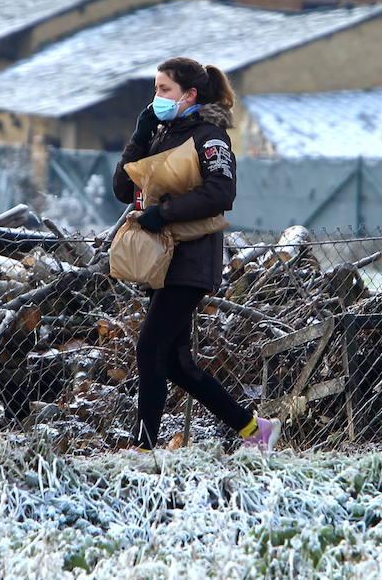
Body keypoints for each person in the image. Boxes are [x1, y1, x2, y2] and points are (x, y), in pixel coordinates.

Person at [112, 56, 281, 452]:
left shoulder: (210, 137)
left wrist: (165, 213)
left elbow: (221, 193)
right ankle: (255, 430)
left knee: (150, 348)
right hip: (160, 261)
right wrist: (139, 136)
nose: (156, 96)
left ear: (188, 94)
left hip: (190, 260)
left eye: (163, 89)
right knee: (175, 363)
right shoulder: (161, 133)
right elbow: (123, 189)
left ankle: (143, 446)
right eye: (155, 89)